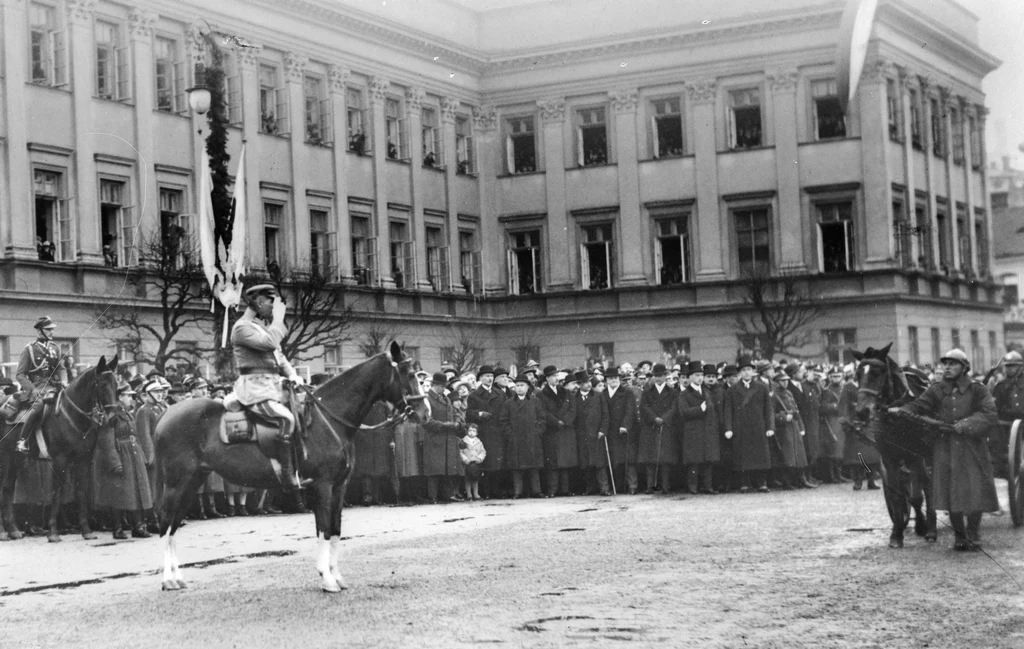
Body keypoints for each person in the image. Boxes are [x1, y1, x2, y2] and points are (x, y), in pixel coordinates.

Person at [896, 349, 999, 551]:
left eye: (953, 364)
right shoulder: (936, 390)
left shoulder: (977, 389)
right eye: (946, 364)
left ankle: (973, 533)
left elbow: (989, 413)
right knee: (950, 491)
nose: (948, 367)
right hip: (945, 448)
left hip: (972, 447)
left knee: (975, 490)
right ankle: (960, 535)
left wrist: (967, 423)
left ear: (964, 368)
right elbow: (917, 406)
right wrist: (903, 411)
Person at [230, 284, 304, 491]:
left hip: (272, 388)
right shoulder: (241, 328)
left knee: (300, 414)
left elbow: (279, 357)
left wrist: (293, 375)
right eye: (270, 302)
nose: (273, 307)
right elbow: (270, 344)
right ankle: (287, 475)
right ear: (259, 302)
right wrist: (279, 319)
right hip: (255, 390)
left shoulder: (262, 328)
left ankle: (300, 466)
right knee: (285, 419)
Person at [92, 382, 153, 539]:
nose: (132, 399)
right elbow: (107, 440)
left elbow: (136, 435)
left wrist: (142, 456)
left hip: (133, 454)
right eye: (128, 396)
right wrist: (115, 462)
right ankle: (117, 528)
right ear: (120, 397)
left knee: (137, 493)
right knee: (121, 494)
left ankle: (138, 526)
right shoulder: (111, 415)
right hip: (121, 456)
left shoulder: (127, 413)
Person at [14, 316, 73, 458]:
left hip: (54, 385)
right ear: (40, 331)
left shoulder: (54, 348)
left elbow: (61, 368)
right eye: (48, 329)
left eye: (52, 329)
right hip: (37, 386)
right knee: (39, 405)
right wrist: (32, 390)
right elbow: (20, 374)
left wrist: (65, 381)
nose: (52, 332)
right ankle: (22, 440)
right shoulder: (29, 350)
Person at [723, 356, 774, 493]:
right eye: (744, 370)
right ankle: (744, 483)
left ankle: (762, 483)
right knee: (742, 456)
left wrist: (770, 427)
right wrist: (728, 428)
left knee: (760, 455)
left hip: (759, 426)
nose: (746, 372)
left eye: (749, 369)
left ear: (753, 372)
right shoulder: (732, 390)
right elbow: (728, 410)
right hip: (740, 427)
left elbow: (768, 409)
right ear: (740, 372)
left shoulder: (762, 388)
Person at [676, 361, 720, 495]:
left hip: (707, 431)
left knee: (708, 461)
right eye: (696, 375)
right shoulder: (684, 394)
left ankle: (708, 486)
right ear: (690, 377)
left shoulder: (706, 392)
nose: (700, 378)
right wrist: (699, 409)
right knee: (694, 462)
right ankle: (693, 487)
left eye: (701, 375)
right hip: (693, 431)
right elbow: (683, 412)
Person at [499, 374, 546, 498]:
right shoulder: (508, 403)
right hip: (516, 439)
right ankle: (517, 492)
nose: (519, 388)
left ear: (527, 387)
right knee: (517, 467)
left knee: (534, 466)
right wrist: (510, 435)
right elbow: (503, 421)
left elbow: (542, 418)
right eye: (517, 385)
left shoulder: (535, 401)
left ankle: (536, 490)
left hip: (532, 438)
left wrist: (537, 432)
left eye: (522, 385)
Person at [422, 372, 465, 503]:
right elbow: (426, 421)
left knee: (447, 468)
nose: (443, 388)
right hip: (435, 437)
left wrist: (457, 421)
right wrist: (444, 425)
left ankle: (448, 494)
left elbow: (454, 413)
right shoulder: (426, 399)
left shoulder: (446, 398)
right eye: (441, 386)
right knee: (434, 470)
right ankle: (433, 496)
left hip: (448, 437)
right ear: (435, 385)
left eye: (444, 386)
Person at [637, 363, 678, 494]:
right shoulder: (647, 391)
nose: (659, 378)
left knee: (665, 459)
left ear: (666, 376)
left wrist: (664, 419)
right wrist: (654, 418)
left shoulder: (672, 392)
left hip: (666, 427)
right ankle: (650, 486)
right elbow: (644, 407)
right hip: (651, 427)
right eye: (656, 376)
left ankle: (665, 486)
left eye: (661, 376)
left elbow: (674, 408)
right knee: (650, 459)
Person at [467, 364, 507, 499]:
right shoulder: (474, 395)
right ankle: (486, 491)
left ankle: (496, 491)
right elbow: (469, 414)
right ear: (481, 378)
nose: (490, 379)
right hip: (483, 432)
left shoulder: (500, 394)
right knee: (485, 463)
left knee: (497, 463)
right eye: (486, 376)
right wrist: (479, 414)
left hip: (497, 432)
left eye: (491, 376)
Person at [575, 372, 610, 496]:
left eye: (589, 382)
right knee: (586, 464)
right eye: (585, 383)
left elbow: (605, 415)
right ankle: (590, 488)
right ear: (579, 384)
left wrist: (602, 430)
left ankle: (604, 488)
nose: (589, 385)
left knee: (600, 463)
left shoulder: (598, 396)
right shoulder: (575, 398)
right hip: (582, 436)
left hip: (597, 434)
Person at [605, 366, 638, 494]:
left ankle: (632, 486)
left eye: (616, 378)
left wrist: (625, 425)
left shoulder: (627, 392)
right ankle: (618, 487)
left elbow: (631, 411)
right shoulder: (603, 394)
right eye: (611, 378)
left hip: (624, 430)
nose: (614, 380)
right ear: (607, 380)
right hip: (610, 431)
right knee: (615, 460)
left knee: (629, 460)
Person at [460, 422, 486, 501]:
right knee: (467, 479)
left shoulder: (479, 442)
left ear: (477, 433)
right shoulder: (463, 441)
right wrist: (465, 459)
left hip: (475, 463)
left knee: (475, 479)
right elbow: (460, 451)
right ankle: (469, 494)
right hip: (467, 463)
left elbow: (483, 452)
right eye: (470, 430)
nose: (471, 433)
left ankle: (476, 493)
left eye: (474, 431)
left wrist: (479, 458)